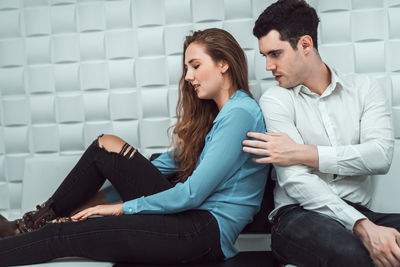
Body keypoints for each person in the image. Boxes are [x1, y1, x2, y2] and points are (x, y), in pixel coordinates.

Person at [0, 28, 268, 266]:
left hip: (202, 231)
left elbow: (192, 194)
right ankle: (36, 222)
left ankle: (31, 227)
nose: (188, 76)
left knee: (58, 235)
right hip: (193, 222)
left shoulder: (240, 113)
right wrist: (85, 207)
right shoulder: (219, 117)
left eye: (195, 66)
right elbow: (157, 166)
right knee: (105, 149)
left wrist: (118, 207)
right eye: (187, 68)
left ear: (223, 64)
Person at [242, 0, 400, 266]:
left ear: (305, 45)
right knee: (351, 253)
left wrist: (305, 153)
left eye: (275, 54)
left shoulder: (365, 89)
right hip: (297, 215)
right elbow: (294, 180)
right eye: (265, 56)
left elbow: (380, 157)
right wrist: (361, 225)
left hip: (358, 209)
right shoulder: (275, 100)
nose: (268, 66)